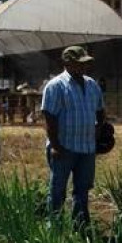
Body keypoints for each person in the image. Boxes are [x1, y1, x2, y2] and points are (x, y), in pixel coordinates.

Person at [41, 45, 106, 229]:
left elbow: (100, 110)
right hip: (64, 147)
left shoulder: (92, 85)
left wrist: (98, 131)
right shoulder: (56, 86)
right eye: (79, 64)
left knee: (83, 189)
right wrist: (54, 145)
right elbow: (49, 118)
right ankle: (54, 227)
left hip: (86, 148)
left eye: (85, 64)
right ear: (67, 63)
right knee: (57, 190)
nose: (83, 67)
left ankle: (81, 226)